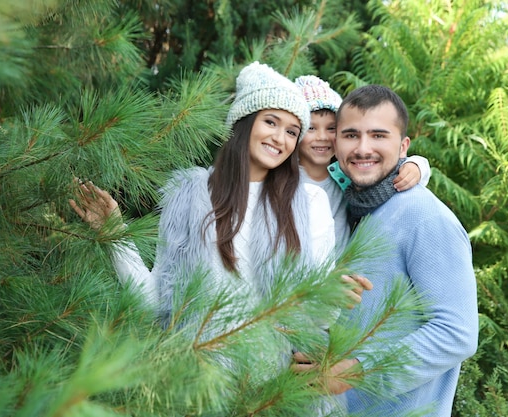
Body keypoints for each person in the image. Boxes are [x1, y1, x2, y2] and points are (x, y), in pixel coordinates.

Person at [68, 62, 372, 394]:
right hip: (192, 386)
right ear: (244, 122)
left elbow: (312, 320)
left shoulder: (310, 204)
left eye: (291, 131)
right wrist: (115, 235)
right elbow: (157, 302)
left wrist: (331, 295)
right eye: (270, 122)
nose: (280, 138)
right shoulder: (189, 196)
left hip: (267, 393)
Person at [296, 84, 478, 416]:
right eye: (351, 135)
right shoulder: (347, 208)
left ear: (403, 145)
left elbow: (457, 333)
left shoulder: (425, 216)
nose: (363, 148)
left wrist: (355, 372)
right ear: (336, 143)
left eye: (378, 135)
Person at [293, 75, 431, 248]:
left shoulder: (346, 172)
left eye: (331, 128)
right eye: (311, 128)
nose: (322, 137)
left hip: (347, 264)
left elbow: (393, 172)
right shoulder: (287, 179)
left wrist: (416, 165)